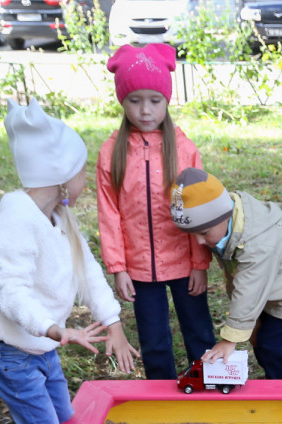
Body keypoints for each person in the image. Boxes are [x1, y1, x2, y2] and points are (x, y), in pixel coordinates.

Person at [0, 99, 138, 424]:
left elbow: (89, 274)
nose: (86, 180)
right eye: (83, 171)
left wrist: (115, 325)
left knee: (64, 421)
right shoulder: (12, 225)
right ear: (62, 175)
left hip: (42, 346)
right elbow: (10, 292)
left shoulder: (60, 219)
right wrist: (54, 329)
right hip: (11, 352)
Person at [97, 43, 215, 380]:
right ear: (123, 101)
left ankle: (209, 384)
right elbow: (109, 214)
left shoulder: (184, 150)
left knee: (199, 332)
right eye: (134, 101)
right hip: (138, 269)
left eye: (154, 100)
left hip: (182, 262)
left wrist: (199, 264)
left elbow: (197, 209)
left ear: (167, 101)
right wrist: (118, 268)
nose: (145, 111)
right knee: (154, 341)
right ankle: (161, 397)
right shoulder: (110, 152)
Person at [169, 168, 282, 380]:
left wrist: (229, 340)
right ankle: (272, 378)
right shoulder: (229, 228)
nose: (199, 242)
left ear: (223, 216)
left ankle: (280, 386)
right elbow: (240, 281)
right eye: (193, 235)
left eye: (203, 233)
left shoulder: (257, 244)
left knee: (269, 345)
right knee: (257, 338)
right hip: (270, 287)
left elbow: (249, 289)